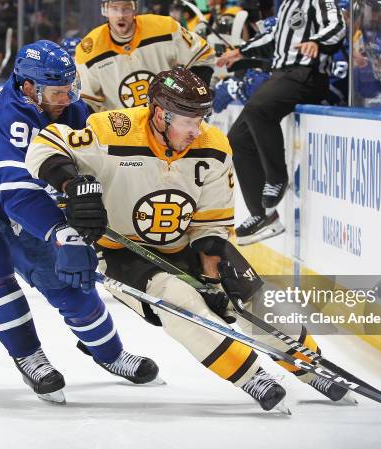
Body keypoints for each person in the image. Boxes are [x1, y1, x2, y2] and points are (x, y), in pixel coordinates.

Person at [26, 66, 352, 411]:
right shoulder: (115, 129)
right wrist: (73, 185)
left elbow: (211, 222)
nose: (197, 130)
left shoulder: (213, 146)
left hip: (186, 245)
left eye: (201, 119)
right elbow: (45, 145)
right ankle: (251, 376)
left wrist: (213, 275)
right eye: (188, 120)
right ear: (160, 114)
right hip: (122, 253)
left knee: (249, 294)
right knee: (179, 301)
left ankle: (312, 364)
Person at [0, 40, 159, 403]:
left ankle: (110, 354)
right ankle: (28, 355)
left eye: (70, 88)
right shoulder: (12, 117)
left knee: (68, 279)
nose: (67, 99)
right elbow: (18, 195)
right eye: (58, 92)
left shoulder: (71, 109)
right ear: (29, 87)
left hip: (11, 204)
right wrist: (63, 231)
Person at [217, 0, 345, 245]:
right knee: (237, 139)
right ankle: (263, 215)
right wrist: (242, 51)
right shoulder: (287, 4)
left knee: (258, 109)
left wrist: (317, 42)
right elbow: (276, 37)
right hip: (282, 75)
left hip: (306, 74)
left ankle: (276, 178)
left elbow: (337, 26)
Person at [75, 0, 215, 112]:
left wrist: (195, 98)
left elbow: (202, 55)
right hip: (122, 132)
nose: (120, 15)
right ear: (104, 10)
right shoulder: (89, 50)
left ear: (135, 7)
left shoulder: (164, 27)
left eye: (126, 8)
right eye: (114, 8)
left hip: (170, 122)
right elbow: (87, 101)